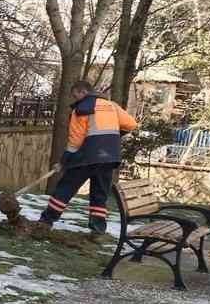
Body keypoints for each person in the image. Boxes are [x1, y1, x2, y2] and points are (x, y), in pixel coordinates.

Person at [35, 80, 138, 236]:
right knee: (100, 193)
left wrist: (64, 161)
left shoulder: (81, 109)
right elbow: (131, 124)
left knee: (66, 187)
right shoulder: (112, 105)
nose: (74, 98)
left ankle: (46, 221)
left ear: (83, 92)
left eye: (75, 95)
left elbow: (75, 141)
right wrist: (113, 137)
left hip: (87, 157)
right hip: (109, 157)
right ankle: (97, 229)